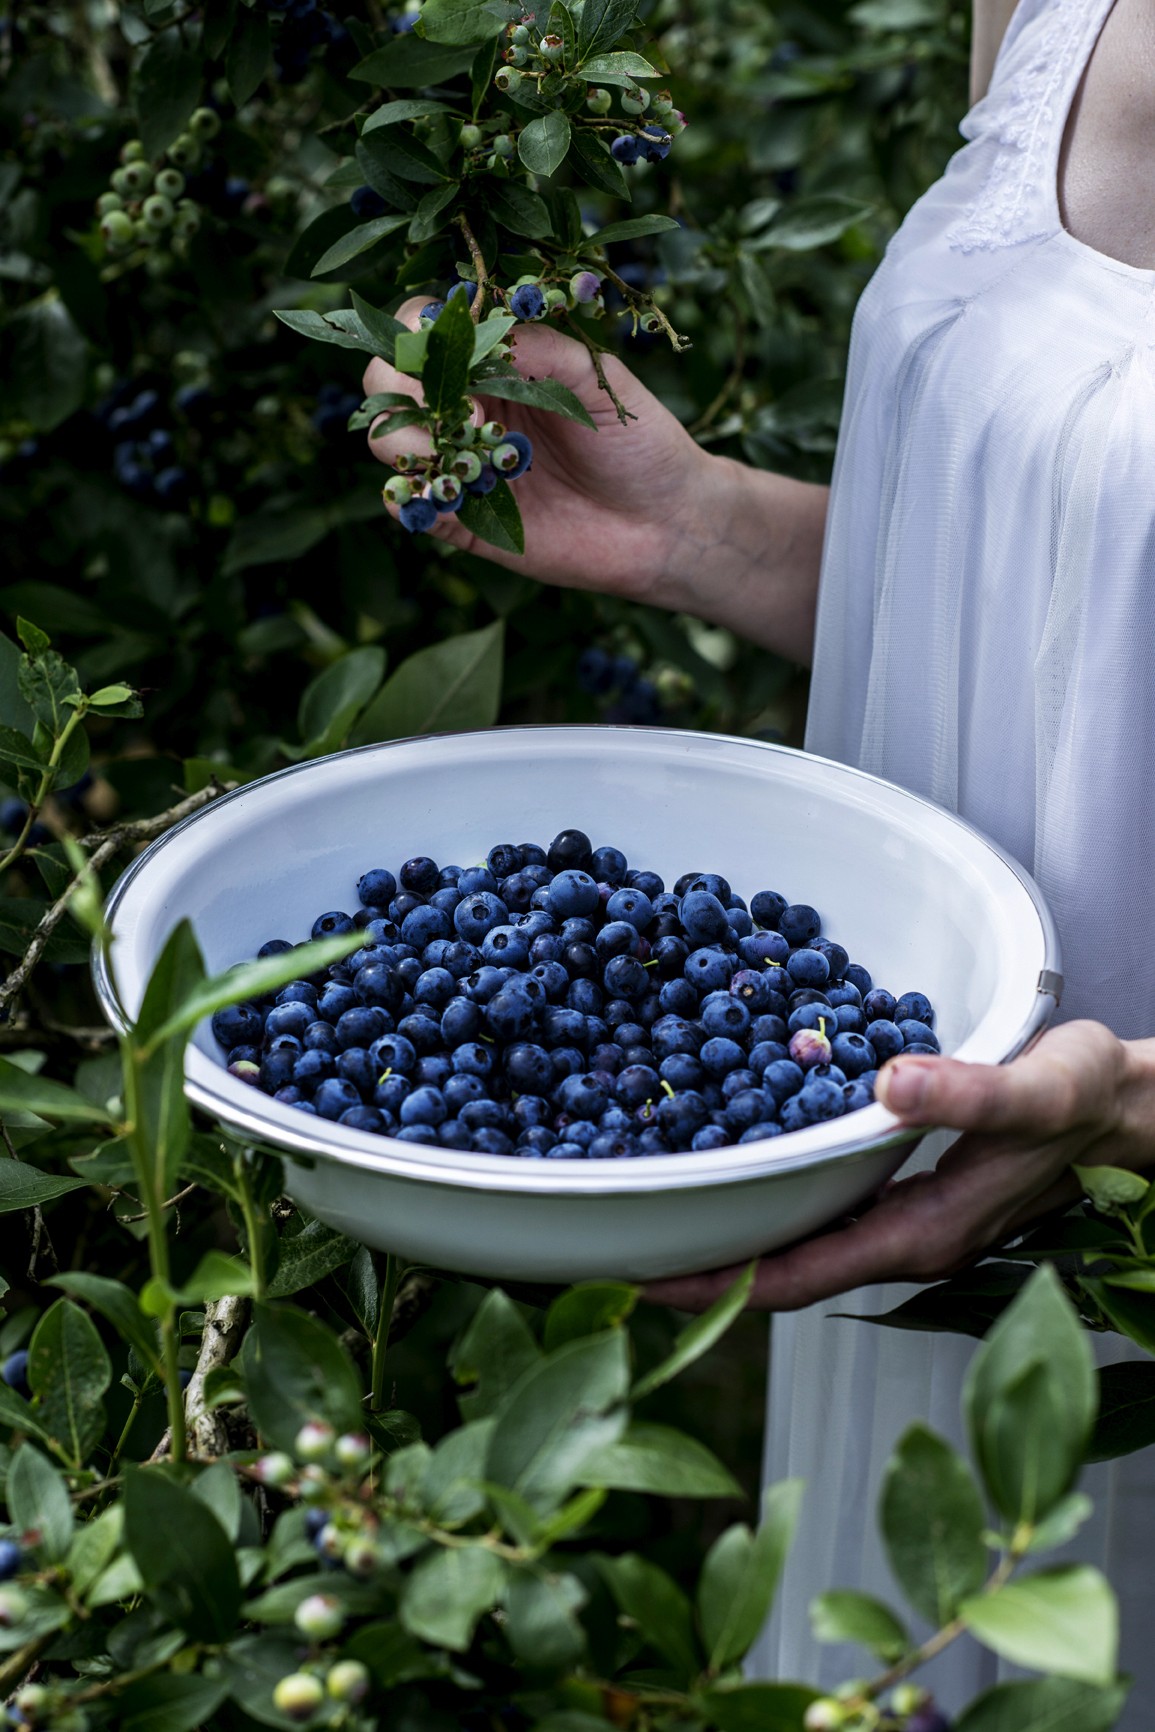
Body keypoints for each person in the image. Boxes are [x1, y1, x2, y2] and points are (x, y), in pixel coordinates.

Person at [365, 0, 1155, 1716]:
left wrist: (1136, 1109)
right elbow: (1062, 611)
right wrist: (698, 531)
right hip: (905, 1141)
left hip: (1107, 1263)